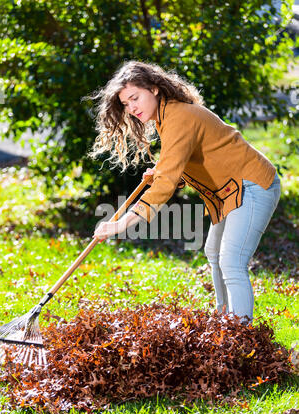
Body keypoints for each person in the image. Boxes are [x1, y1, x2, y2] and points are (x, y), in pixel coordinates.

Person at [87, 60, 281, 323]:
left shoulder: (177, 117)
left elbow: (166, 184)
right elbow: (184, 161)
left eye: (135, 98)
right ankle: (225, 323)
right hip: (231, 190)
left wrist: (121, 224)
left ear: (154, 89)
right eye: (125, 103)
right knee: (214, 252)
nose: (132, 107)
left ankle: (240, 336)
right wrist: (161, 172)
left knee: (232, 261)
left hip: (253, 184)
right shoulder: (166, 118)